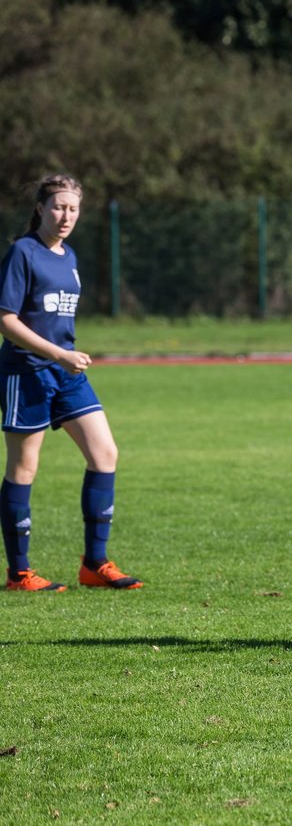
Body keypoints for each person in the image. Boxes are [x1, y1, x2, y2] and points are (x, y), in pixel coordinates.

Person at [0, 174, 142, 591]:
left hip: (66, 374)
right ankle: (19, 574)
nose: (66, 216)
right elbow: (5, 319)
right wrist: (57, 353)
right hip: (26, 372)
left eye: (73, 208)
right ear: (41, 209)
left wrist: (65, 357)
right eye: (59, 207)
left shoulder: (69, 256)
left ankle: (94, 564)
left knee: (105, 453)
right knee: (24, 466)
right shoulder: (22, 253)